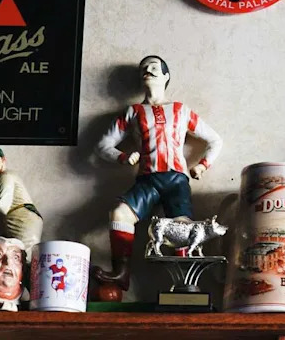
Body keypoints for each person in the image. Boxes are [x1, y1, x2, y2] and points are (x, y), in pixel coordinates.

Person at [93, 55, 223, 292]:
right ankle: (122, 272)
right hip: (147, 179)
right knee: (119, 214)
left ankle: (185, 284)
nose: (148, 70)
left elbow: (215, 140)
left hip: (176, 178)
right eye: (144, 68)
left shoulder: (180, 110)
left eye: (155, 67)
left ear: (166, 76)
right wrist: (123, 156)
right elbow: (102, 145)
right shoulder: (132, 112)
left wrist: (203, 165)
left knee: (183, 228)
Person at [0, 147, 42, 251]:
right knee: (14, 253)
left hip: (23, 219)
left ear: (3, 161)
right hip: (19, 218)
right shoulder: (4, 177)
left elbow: (1, 205)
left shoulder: (5, 176)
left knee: (23, 255)